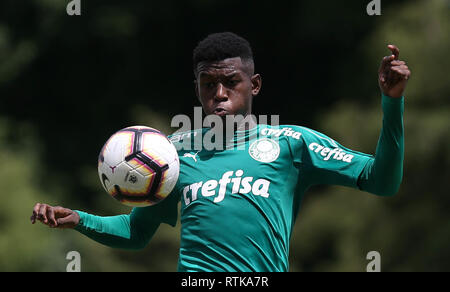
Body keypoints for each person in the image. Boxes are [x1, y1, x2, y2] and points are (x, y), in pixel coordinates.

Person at [30, 32, 410, 272]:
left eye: (231, 82)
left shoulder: (292, 143)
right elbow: (136, 232)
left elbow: (382, 181)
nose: (219, 93)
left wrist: (391, 104)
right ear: (197, 87)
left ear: (254, 85)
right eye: (208, 83)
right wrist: (78, 218)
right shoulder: (171, 154)